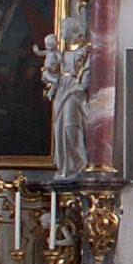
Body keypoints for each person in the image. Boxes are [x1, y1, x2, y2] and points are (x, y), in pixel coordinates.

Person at [40, 12, 92, 178]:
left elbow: (88, 73)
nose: (61, 34)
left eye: (64, 30)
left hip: (74, 91)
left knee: (71, 126)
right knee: (59, 126)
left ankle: (77, 163)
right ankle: (65, 166)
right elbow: (50, 68)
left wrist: (80, 86)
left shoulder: (85, 51)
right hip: (62, 88)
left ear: (72, 31)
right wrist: (49, 74)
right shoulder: (61, 53)